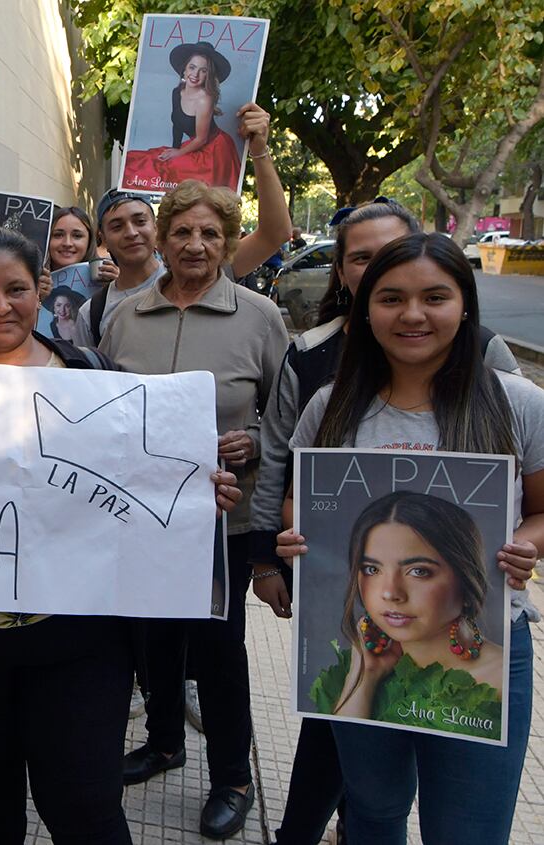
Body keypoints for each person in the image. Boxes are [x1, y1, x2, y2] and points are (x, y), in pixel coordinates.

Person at [0, 223, 244, 844]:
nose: (1, 306)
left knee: (83, 802)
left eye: (16, 289)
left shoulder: (92, 374)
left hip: (77, 640)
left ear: (39, 293)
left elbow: (138, 489)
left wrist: (194, 497)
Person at [249, 199, 520, 845]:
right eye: (390, 296)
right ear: (362, 301)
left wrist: (526, 544)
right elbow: (298, 497)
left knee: (467, 829)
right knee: (372, 814)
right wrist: (290, 540)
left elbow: (537, 508)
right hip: (356, 648)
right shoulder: (330, 402)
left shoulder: (514, 400)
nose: (413, 313)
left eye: (434, 296)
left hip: (493, 638)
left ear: (465, 302)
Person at [100, 179, 289, 840]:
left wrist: (256, 442)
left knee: (216, 649)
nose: (195, 245)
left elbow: (289, 421)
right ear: (161, 237)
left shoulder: (259, 317)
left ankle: (233, 775)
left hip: (223, 521)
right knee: (151, 640)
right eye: (182, 231)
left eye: (210, 233)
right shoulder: (123, 316)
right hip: (141, 517)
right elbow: (105, 414)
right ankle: (163, 742)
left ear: (228, 241)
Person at [75, 102, 290, 346]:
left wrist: (260, 151)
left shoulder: (196, 266)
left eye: (140, 220)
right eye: (116, 226)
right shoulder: (93, 313)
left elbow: (276, 233)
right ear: (101, 236)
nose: (131, 232)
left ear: (157, 230)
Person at [309, 491, 504, 737]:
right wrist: (366, 677)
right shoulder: (357, 664)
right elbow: (356, 760)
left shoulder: (498, 679)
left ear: (466, 578)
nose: (391, 593)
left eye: (419, 571)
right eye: (372, 569)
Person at [122, 42, 242, 191]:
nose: (196, 75)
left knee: (173, 172)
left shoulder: (205, 99)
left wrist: (178, 154)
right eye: (192, 67)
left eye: (203, 70)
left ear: (208, 75)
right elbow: (177, 124)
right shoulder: (176, 92)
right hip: (194, 146)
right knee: (146, 161)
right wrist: (174, 148)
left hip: (214, 149)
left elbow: (202, 139)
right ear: (184, 69)